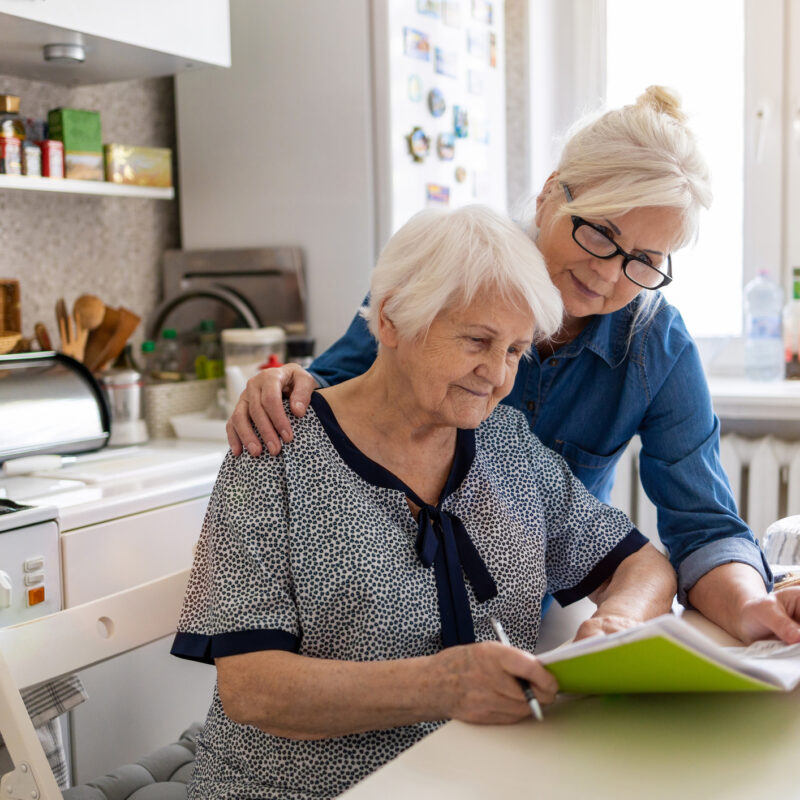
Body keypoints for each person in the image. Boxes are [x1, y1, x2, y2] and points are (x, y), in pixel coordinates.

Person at [226, 86, 800, 646]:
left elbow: (704, 526)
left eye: (644, 261)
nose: (608, 275)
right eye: (601, 232)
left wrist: (754, 606)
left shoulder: (655, 344)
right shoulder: (455, 269)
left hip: (526, 618)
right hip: (380, 619)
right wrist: (283, 383)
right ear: (551, 194)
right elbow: (337, 388)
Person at [172, 205, 677, 799]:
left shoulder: (506, 445)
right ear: (391, 320)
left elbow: (642, 565)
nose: (496, 375)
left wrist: (615, 622)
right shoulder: (276, 447)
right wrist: (440, 685)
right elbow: (252, 688)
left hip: (474, 778)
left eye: (516, 351)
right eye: (477, 341)